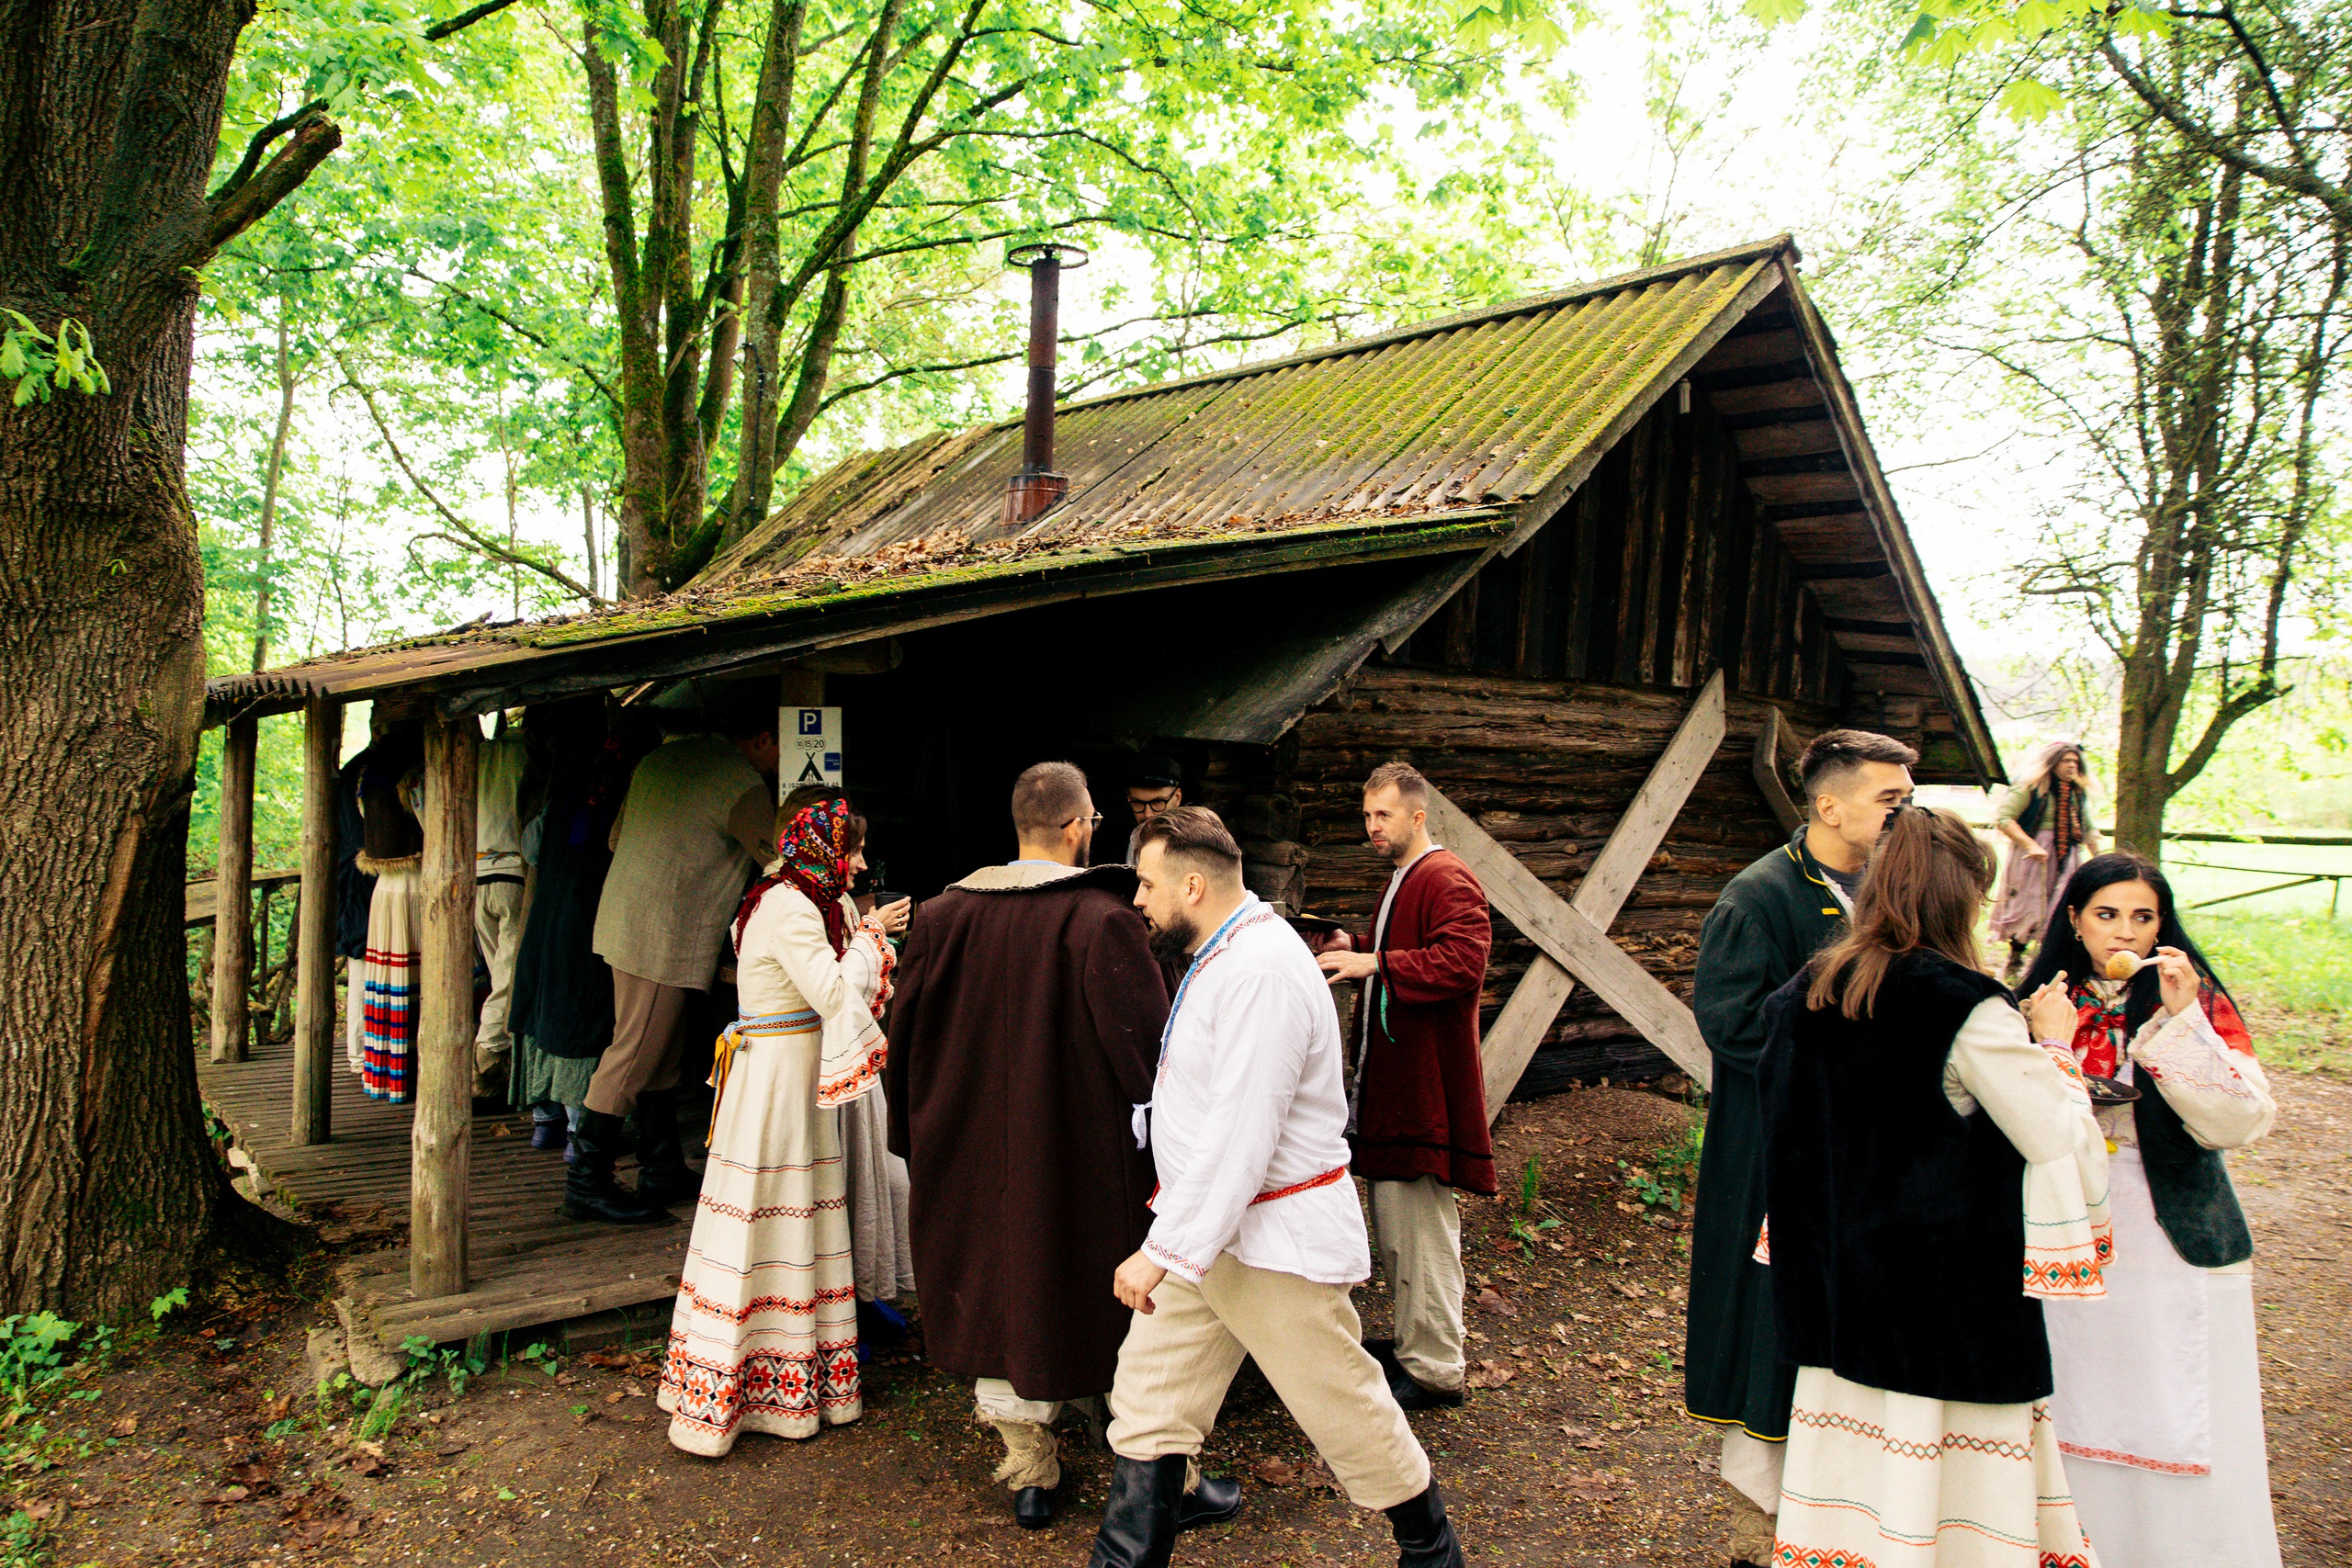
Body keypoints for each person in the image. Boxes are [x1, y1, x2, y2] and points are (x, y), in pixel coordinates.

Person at [1086, 807, 1465, 1568]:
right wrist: (1179, 1239)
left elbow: (1242, 1133)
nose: (1139, 900)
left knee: (1342, 1401)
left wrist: (1161, 1248)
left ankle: (1431, 1552)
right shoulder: (1225, 952)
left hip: (1270, 1241)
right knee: (1150, 1399)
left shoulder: (1261, 970)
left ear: (1193, 886)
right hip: (1209, 1234)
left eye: (1148, 885)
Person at [1759, 804, 2108, 1568]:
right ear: (1966, 896)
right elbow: (2055, 1136)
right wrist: (2055, 1043)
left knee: (1856, 1510)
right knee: (1949, 1516)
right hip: (1943, 1312)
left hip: (1840, 1301)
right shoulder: (1965, 1006)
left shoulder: (1803, 993)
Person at [885, 761, 1204, 1530]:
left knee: (999, 1284)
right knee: (1096, 1289)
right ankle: (1146, 1458)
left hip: (968, 1147)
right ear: (1078, 826)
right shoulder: (1104, 919)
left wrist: (916, 1135)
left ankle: (1030, 1466)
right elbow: (1149, 1056)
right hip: (1077, 1154)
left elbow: (904, 1039)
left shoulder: (942, 916)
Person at [1682, 728, 1917, 1567]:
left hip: (1868, 1156)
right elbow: (1733, 1024)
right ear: (1829, 805)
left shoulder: (1894, 890)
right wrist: (1854, 1048)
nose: (1903, 815)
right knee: (1770, 1314)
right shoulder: (1757, 897)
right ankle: (1763, 1521)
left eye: (1907, 800)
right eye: (1889, 800)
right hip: (1775, 1151)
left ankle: (1845, 1508)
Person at [2019, 852, 2280, 1568]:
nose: (2124, 931)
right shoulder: (2038, 1000)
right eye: (2107, 914)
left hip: (2169, 1227)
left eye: (2143, 917)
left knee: (2175, 1403)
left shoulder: (2191, 998)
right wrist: (2047, 1040)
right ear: (2075, 918)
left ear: (2162, 926)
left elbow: (2240, 1121)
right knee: (2066, 1397)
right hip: (2063, 1223)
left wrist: (2182, 1019)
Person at [658, 792, 911, 1457]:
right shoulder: (791, 907)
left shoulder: (782, 896)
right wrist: (871, 936)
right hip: (777, 1083)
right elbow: (833, 992)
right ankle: (758, 1385)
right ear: (823, 850)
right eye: (852, 850)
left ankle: (782, 1378)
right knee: (771, 1215)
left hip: (781, 1072)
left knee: (780, 1216)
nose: (860, 864)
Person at [1313, 761, 1494, 1410]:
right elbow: (1403, 948)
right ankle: (1419, 1344)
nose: (1372, 826)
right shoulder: (1404, 879)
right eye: (1367, 816)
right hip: (1397, 1088)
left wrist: (1375, 961)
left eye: (1383, 815)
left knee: (1420, 1230)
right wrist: (1356, 943)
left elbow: (1464, 958)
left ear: (1418, 816)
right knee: (1398, 1227)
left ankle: (1437, 1367)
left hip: (1424, 1090)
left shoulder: (1445, 877)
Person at [569, 700, 779, 1225]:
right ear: (763, 739)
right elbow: (779, 859)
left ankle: (661, 1167)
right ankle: (586, 1183)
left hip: (626, 918)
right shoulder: (738, 781)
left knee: (661, 1053)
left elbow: (615, 838)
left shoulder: (662, 758)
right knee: (633, 1056)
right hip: (661, 935)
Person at [508, 699, 644, 1157]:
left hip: (547, 913)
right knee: (581, 1015)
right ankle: (576, 1132)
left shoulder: (560, 790)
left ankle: (545, 1122)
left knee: (545, 1004)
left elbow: (530, 848)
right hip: (589, 918)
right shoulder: (622, 793)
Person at [353, 719, 426, 1103]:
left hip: (385, 888)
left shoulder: (367, 777)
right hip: (416, 884)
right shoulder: (415, 775)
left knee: (392, 980)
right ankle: (417, 1073)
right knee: (420, 977)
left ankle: (389, 1074)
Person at [1992, 741, 2103, 976]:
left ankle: (2047, 962)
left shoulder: (2076, 792)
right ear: (2052, 763)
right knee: (2029, 906)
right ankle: (2016, 956)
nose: (2071, 766)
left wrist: (2100, 859)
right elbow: (2005, 819)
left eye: (2075, 762)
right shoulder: (2030, 785)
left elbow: (2087, 828)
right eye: (2066, 761)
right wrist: (2031, 845)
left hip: (2068, 854)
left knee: (2063, 905)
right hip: (2034, 855)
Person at [472, 714, 530, 1106]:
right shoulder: (528, 755)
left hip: (477, 876)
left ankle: (500, 1070)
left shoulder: (477, 755)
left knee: (500, 974)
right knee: (508, 977)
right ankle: (487, 1056)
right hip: (513, 874)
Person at [1121, 757, 1183, 865]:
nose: (1148, 814)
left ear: (1177, 798)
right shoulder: (1136, 836)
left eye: (1157, 802)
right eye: (1138, 803)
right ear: (1129, 799)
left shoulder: (1196, 840)